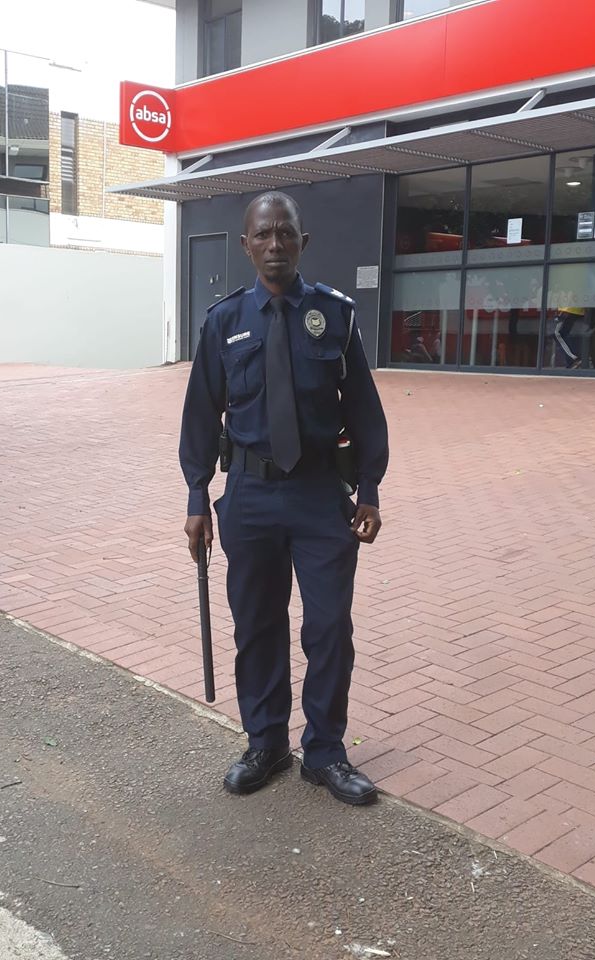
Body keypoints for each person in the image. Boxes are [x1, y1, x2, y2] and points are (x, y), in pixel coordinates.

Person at [179, 191, 389, 806]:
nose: (275, 244)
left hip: (320, 495)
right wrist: (197, 497)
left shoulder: (336, 316)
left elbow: (365, 409)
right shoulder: (223, 322)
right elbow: (200, 414)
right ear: (246, 245)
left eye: (286, 234)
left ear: (303, 242)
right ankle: (265, 743)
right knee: (257, 625)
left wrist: (370, 488)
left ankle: (325, 752)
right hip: (249, 496)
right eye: (264, 235)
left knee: (329, 628)